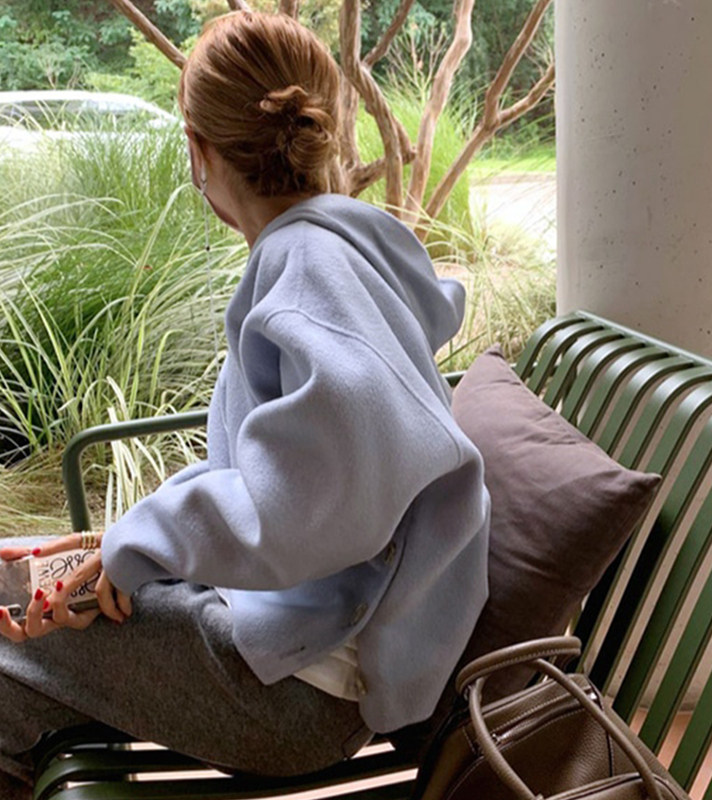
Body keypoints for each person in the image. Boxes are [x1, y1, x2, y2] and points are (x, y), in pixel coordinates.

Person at [0, 11, 490, 798]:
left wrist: (147, 539)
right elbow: (295, 472)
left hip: (299, 686)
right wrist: (127, 542)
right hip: (296, 637)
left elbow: (320, 501)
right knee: (20, 592)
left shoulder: (309, 267)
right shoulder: (337, 249)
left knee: (10, 653)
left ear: (198, 152)